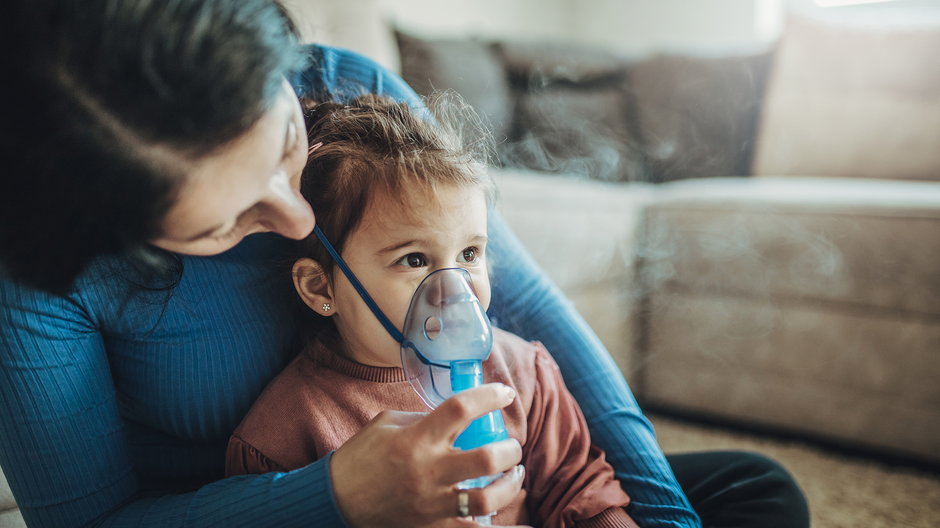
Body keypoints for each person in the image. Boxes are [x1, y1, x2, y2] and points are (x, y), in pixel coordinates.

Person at [0, 1, 808, 527]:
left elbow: (530, 314)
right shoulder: (34, 267)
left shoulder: (348, 94)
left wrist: (665, 520)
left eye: (288, 144)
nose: (296, 218)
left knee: (751, 487)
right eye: (223, 224)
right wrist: (338, 496)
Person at [225, 94, 639, 528]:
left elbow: (582, 492)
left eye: (469, 253)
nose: (451, 289)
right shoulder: (285, 432)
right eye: (414, 260)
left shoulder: (521, 373)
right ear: (319, 286)